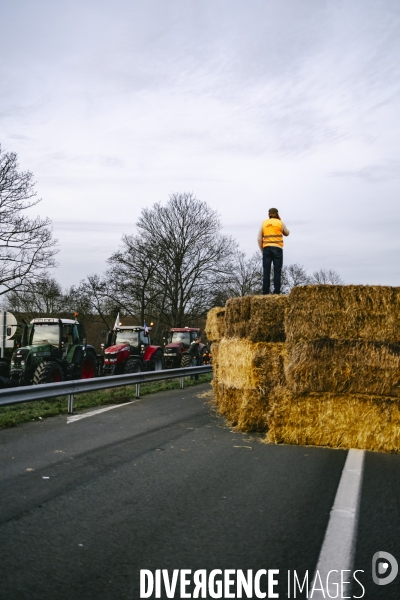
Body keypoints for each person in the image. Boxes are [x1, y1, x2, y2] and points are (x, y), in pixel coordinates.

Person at [257, 207, 290, 295]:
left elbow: (259, 238)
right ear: (277, 214)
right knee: (277, 270)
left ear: (269, 214)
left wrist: (262, 250)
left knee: (266, 271)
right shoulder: (280, 222)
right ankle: (276, 292)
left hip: (266, 249)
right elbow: (287, 233)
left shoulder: (264, 223)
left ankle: (265, 292)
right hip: (277, 249)